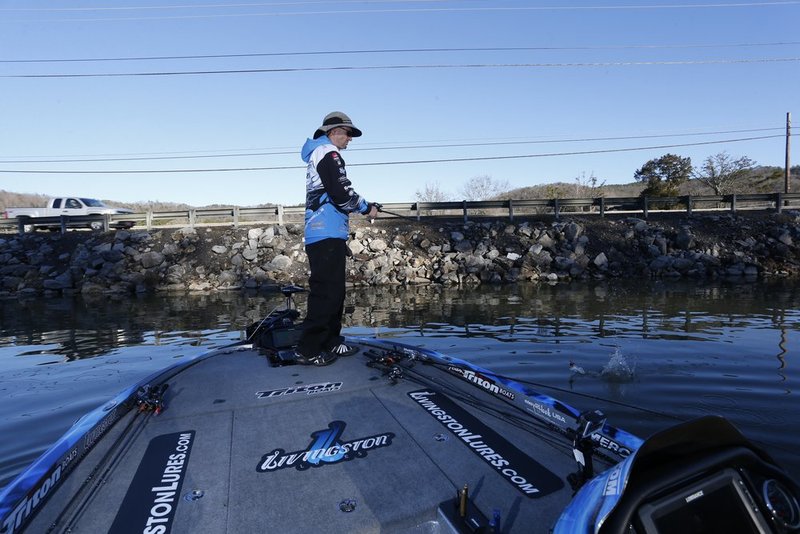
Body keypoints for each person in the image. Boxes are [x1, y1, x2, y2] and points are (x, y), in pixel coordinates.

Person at [295, 111, 379, 366]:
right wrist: (367, 208)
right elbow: (342, 193)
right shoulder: (328, 153)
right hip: (325, 231)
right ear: (334, 132)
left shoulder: (322, 153)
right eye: (348, 133)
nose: (350, 139)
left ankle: (331, 341)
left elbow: (337, 192)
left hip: (328, 231)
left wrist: (365, 204)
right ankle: (308, 350)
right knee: (326, 293)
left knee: (335, 292)